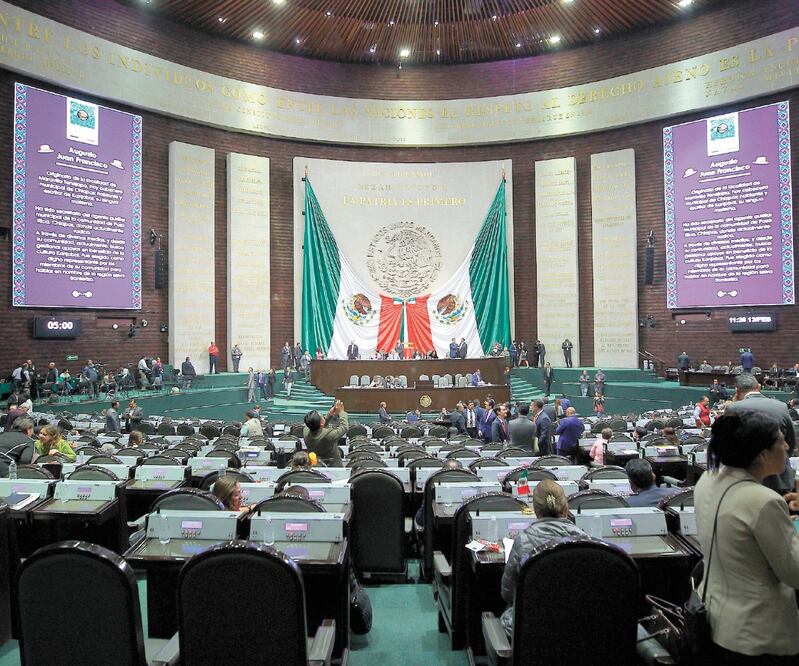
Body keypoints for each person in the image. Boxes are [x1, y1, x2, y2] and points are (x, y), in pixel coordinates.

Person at [695, 412, 799, 661]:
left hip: (717, 617)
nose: (787, 447)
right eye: (782, 441)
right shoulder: (763, 501)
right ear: (762, 453)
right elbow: (794, 573)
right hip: (759, 634)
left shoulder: (708, 479)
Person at [500, 480, 587, 636]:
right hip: (576, 623)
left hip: (532, 624)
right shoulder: (585, 541)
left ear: (535, 510)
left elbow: (508, 593)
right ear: (566, 508)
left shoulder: (523, 542)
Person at [726, 373, 796, 495]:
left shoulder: (734, 408)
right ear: (758, 387)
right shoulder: (781, 406)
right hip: (780, 480)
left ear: (737, 391)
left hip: (747, 481)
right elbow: (790, 443)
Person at [303, 400, 348, 467]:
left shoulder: (306, 431)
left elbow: (318, 425)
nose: (323, 417)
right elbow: (344, 427)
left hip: (315, 466)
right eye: (322, 417)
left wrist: (330, 414)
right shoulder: (328, 435)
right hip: (333, 468)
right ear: (321, 423)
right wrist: (341, 412)